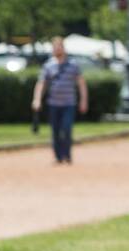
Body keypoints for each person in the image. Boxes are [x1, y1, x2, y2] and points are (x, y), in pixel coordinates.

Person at [32, 37, 88, 165]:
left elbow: (81, 84)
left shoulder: (73, 65)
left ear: (64, 48)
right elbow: (42, 84)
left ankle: (67, 155)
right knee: (55, 131)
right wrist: (37, 99)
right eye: (55, 47)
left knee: (66, 128)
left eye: (59, 46)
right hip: (53, 104)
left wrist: (83, 100)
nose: (57, 49)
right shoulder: (48, 65)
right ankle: (58, 157)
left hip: (69, 103)